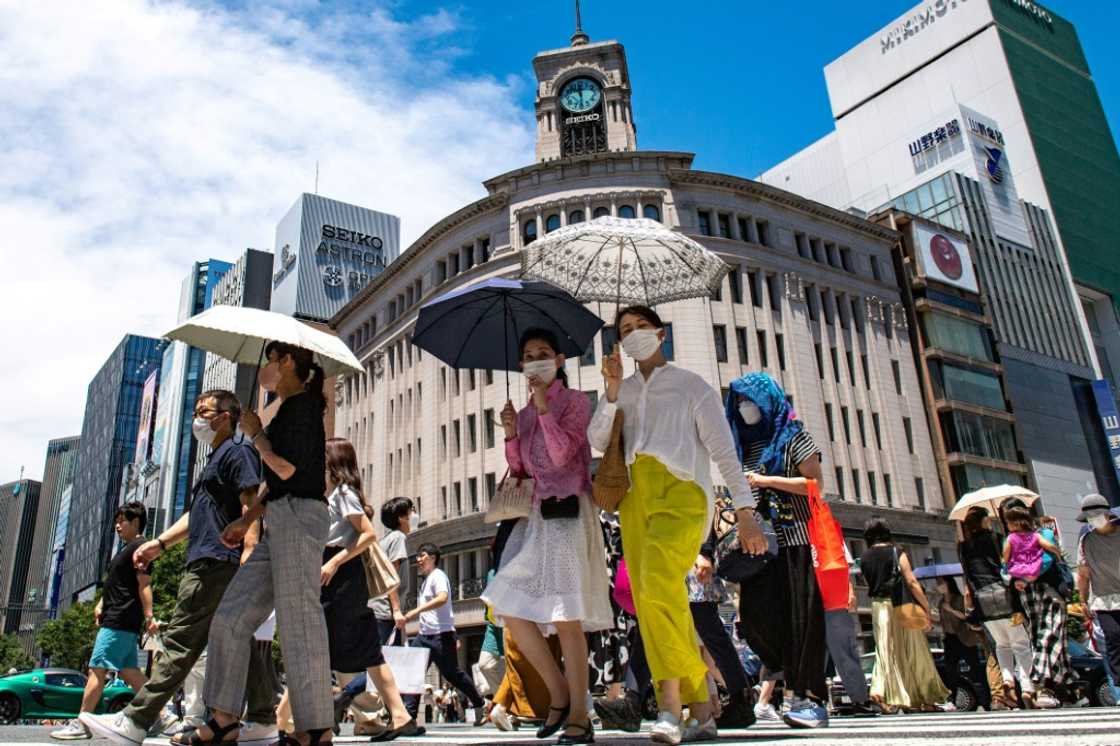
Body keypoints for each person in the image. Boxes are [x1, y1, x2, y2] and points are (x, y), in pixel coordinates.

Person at [587, 305, 764, 745]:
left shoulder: (691, 385)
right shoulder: (622, 390)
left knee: (659, 585)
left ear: (660, 333)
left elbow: (724, 452)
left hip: (683, 493)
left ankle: (669, 705)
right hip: (634, 498)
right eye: (624, 330)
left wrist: (745, 512)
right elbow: (596, 441)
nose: (632, 336)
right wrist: (610, 392)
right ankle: (702, 707)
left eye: (640, 327)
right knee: (653, 599)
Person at [79, 390, 280, 746]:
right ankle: (263, 719)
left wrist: (249, 550)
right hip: (209, 557)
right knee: (240, 640)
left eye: (205, 412)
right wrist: (160, 544)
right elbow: (199, 513)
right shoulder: (216, 458)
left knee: (180, 641)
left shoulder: (237, 450)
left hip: (216, 562)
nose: (198, 419)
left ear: (228, 415)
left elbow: (251, 503)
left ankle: (136, 720)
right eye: (197, 411)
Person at [193, 341, 333, 746]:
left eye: (270, 361)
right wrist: (247, 519)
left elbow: (287, 469)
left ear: (287, 362)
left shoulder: (303, 407)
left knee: (298, 621)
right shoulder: (287, 409)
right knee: (231, 617)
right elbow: (275, 481)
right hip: (280, 520)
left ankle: (316, 727)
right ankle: (223, 719)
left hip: (301, 517)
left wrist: (255, 436)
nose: (264, 370)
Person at [482, 327, 613, 745]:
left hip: (570, 513)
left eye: (543, 353)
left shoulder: (575, 403)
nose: (534, 360)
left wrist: (541, 407)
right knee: (507, 603)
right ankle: (559, 693)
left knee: (566, 615)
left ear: (559, 360)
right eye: (528, 355)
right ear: (521, 365)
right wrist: (509, 433)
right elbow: (520, 470)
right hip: (536, 518)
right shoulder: (520, 413)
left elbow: (561, 455)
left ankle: (579, 712)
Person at [724, 372, 829, 729]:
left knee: (803, 619)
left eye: (749, 399)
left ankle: (809, 697)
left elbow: (814, 486)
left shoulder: (795, 436)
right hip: (759, 547)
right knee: (755, 618)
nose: (744, 408)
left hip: (797, 539)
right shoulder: (746, 446)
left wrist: (767, 481)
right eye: (737, 401)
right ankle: (784, 674)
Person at [320, 438, 422, 742]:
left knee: (318, 645)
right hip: (335, 572)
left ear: (334, 462)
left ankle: (293, 719)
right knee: (368, 651)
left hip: (341, 574)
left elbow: (367, 534)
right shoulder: (331, 493)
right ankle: (400, 715)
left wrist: (335, 562)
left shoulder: (343, 493)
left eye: (322, 455)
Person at [52, 503, 157, 741]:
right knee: (130, 673)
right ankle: (161, 715)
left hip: (120, 619)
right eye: (116, 521)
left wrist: (150, 616)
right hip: (118, 616)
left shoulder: (141, 548)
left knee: (97, 669)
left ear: (136, 522)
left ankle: (82, 722)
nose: (117, 526)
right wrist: (101, 603)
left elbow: (145, 584)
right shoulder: (128, 549)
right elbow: (117, 583)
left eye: (122, 521)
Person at [332, 496, 417, 720]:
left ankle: (397, 713)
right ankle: (344, 697)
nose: (414, 516)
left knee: (380, 659)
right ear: (401, 518)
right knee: (382, 660)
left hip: (377, 605)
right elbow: (393, 576)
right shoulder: (398, 538)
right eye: (411, 511)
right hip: (387, 610)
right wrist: (397, 610)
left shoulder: (387, 538)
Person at [859, 519, 949, 712]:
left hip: (878, 606)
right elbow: (911, 581)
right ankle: (927, 698)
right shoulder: (896, 552)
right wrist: (926, 607)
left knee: (885, 650)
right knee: (915, 650)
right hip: (902, 604)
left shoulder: (864, 557)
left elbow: (869, 584)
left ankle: (881, 689)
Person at [401, 543, 486, 725]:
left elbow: (443, 598)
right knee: (413, 673)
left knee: (452, 675)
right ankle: (409, 717)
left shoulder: (438, 576)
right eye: (417, 556)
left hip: (441, 636)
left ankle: (479, 703)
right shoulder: (425, 582)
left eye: (422, 555)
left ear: (432, 558)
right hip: (424, 636)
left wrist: (416, 611)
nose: (418, 560)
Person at [958, 506, 1033, 709]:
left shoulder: (963, 546)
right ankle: (1027, 686)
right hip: (1006, 598)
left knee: (1001, 645)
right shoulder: (997, 538)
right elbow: (1008, 565)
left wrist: (970, 609)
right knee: (1021, 644)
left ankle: (1007, 679)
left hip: (983, 602)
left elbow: (967, 581)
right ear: (984, 521)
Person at [999, 499, 1067, 708]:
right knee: (1043, 634)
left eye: (1008, 516)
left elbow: (1006, 561)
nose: (1006, 521)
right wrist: (1012, 577)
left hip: (1046, 589)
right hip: (1028, 591)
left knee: (1049, 634)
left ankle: (1048, 684)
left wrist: (1017, 575)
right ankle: (1048, 687)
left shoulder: (1036, 534)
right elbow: (1050, 552)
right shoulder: (1028, 536)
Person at [1076, 494, 1120, 702]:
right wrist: (1082, 600)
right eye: (1089, 517)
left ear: (1107, 514)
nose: (1093, 520)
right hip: (1104, 600)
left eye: (1096, 515)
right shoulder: (1086, 541)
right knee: (1113, 638)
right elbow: (1083, 574)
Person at [935, 576, 989, 710]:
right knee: (950, 671)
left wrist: (951, 610)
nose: (938, 586)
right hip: (949, 639)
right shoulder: (941, 602)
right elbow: (943, 623)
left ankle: (985, 700)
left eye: (941, 583)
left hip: (964, 638)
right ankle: (952, 700)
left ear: (948, 584)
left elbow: (966, 617)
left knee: (975, 670)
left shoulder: (959, 599)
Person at [1002, 506, 1062, 584]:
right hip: (1035, 567)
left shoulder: (1010, 538)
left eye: (1008, 523)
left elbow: (1006, 553)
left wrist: (1005, 562)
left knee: (1005, 571)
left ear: (1016, 524)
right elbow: (1049, 546)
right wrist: (1058, 553)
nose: (1007, 525)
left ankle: (1021, 580)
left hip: (1018, 567)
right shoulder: (1035, 535)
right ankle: (1030, 579)